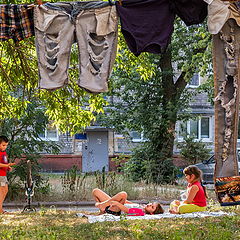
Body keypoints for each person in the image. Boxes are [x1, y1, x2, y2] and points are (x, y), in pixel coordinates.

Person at [92, 188, 164, 216]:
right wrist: (114, 199)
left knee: (124, 194)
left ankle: (102, 206)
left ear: (151, 213)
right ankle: (102, 210)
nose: (150, 205)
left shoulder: (141, 212)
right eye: (151, 204)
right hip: (114, 205)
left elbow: (128, 211)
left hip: (117, 210)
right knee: (95, 191)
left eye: (152, 207)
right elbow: (128, 203)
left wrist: (117, 203)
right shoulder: (141, 206)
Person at [0, 136, 15, 214]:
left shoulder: (4, 152)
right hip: (0, 176)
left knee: (4, 190)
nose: (5, 147)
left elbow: (4, 163)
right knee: (4, 190)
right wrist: (7, 165)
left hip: (3, 175)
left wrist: (8, 167)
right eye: (3, 145)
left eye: (6, 145)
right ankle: (0, 209)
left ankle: (0, 208)